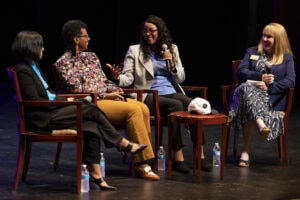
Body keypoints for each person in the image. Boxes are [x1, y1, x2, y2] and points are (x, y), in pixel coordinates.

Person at [11, 30, 148, 191]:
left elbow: (47, 93)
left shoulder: (33, 66)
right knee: (91, 109)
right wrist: (64, 101)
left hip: (51, 110)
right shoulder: (23, 70)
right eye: (40, 46)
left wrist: (63, 100)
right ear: (31, 47)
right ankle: (121, 143)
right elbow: (35, 101)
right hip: (42, 118)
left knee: (92, 126)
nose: (43, 49)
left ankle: (96, 174)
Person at [54, 20, 160, 180]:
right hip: (90, 104)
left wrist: (117, 90)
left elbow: (103, 81)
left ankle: (139, 157)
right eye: (86, 36)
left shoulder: (91, 57)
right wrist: (105, 95)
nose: (89, 39)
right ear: (76, 39)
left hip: (106, 97)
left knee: (142, 107)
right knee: (133, 110)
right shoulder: (63, 63)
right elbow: (77, 91)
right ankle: (141, 164)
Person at [109, 15, 212, 173]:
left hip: (170, 91)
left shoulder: (172, 49)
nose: (148, 34)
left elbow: (181, 78)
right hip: (146, 95)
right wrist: (118, 78)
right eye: (145, 31)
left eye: (152, 31)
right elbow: (128, 78)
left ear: (160, 31)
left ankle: (200, 155)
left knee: (195, 105)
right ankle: (178, 157)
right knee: (176, 105)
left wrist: (172, 64)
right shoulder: (135, 50)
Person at [227, 22, 296, 167]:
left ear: (279, 39)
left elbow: (290, 81)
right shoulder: (252, 52)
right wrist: (259, 78)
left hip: (271, 100)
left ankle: (245, 151)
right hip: (244, 97)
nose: (264, 39)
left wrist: (270, 87)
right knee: (246, 86)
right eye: (263, 35)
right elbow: (241, 71)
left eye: (269, 36)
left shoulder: (286, 57)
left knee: (248, 99)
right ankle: (260, 124)